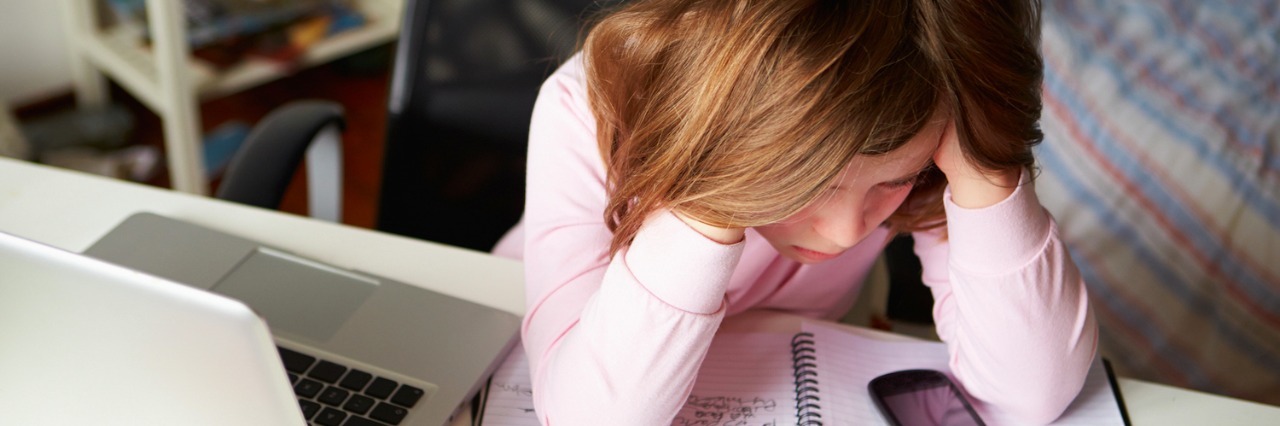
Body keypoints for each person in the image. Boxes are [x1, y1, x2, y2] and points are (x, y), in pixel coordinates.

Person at [491, 0, 1098, 424]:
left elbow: (1031, 396)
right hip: (531, 341)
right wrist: (716, 186)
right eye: (809, 185)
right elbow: (593, 419)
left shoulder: (927, 123)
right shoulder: (582, 110)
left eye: (894, 181)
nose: (845, 234)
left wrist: (984, 170)